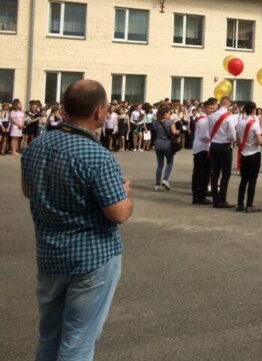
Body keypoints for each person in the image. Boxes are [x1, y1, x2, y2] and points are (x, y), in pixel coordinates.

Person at [21, 79, 132, 360]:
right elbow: (118, 213)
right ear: (99, 111)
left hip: (50, 254)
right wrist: (124, 195)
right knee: (78, 341)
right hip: (92, 259)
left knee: (50, 335)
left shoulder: (36, 145)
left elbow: (27, 190)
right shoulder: (98, 157)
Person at [209, 96, 237, 208]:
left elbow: (209, 131)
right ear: (228, 104)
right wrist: (231, 140)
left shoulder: (212, 115)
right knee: (226, 173)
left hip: (214, 145)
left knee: (215, 173)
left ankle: (215, 199)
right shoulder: (229, 117)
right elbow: (232, 135)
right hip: (224, 146)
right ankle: (222, 199)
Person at [236, 101, 262, 212]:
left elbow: (238, 142)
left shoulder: (239, 122)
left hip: (244, 153)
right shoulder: (255, 124)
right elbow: (259, 142)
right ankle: (249, 205)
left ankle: (240, 204)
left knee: (243, 180)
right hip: (254, 153)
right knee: (252, 181)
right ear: (254, 110)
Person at [191, 99, 216, 205]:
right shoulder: (204, 120)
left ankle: (197, 195)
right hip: (203, 148)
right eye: (210, 108)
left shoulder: (204, 118)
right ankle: (200, 196)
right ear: (204, 108)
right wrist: (213, 138)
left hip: (199, 148)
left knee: (198, 173)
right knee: (203, 173)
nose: (212, 110)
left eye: (213, 108)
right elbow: (203, 136)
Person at [152, 104, 179, 191]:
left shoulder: (155, 122)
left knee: (160, 164)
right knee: (170, 163)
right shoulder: (170, 122)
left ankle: (157, 185)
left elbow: (154, 132)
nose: (170, 114)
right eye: (169, 113)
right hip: (168, 145)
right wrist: (178, 131)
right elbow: (174, 132)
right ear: (166, 114)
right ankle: (165, 179)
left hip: (158, 145)